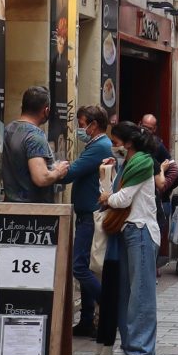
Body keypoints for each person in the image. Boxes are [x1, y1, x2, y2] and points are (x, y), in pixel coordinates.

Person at [104, 123, 162, 355]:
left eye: (115, 141)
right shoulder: (128, 163)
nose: (112, 146)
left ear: (128, 143)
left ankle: (142, 349)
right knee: (127, 290)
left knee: (141, 292)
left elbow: (122, 198)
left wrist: (107, 197)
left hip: (141, 230)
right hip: (130, 230)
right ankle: (129, 343)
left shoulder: (142, 163)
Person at [65, 106, 116, 339]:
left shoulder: (99, 148)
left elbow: (72, 172)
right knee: (84, 266)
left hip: (90, 216)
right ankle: (86, 320)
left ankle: (108, 304)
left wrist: (53, 170)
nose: (79, 128)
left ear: (93, 125)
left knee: (79, 267)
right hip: (85, 214)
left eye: (82, 123)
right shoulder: (97, 146)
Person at [2, 87, 69, 202]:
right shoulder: (35, 136)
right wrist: (59, 171)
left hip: (10, 207)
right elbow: (41, 178)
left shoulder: (8, 129)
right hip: (33, 213)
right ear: (46, 110)